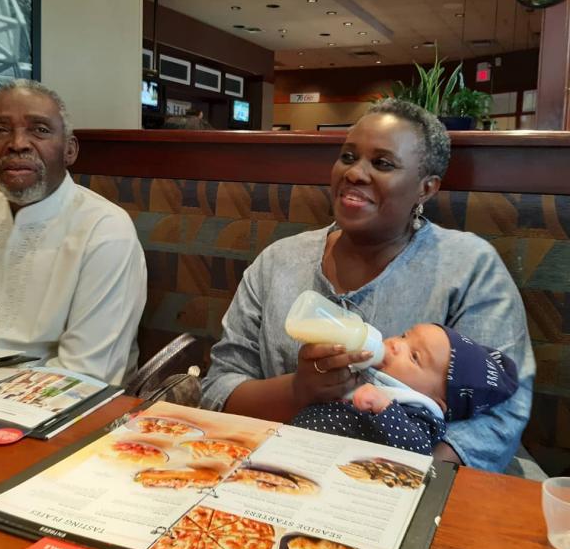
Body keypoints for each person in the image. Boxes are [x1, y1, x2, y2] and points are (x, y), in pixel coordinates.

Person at [201, 98, 535, 472]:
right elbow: (218, 390)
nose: (355, 174)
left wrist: (383, 480)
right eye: (347, 157)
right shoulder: (278, 262)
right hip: (276, 475)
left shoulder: (469, 268)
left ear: (426, 188)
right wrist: (299, 390)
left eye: (382, 163)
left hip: (419, 495)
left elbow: (499, 417)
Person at [0, 79, 147, 385]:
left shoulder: (105, 231)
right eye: (0, 130)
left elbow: (86, 376)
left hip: (61, 412)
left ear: (69, 150)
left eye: (40, 129)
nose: (17, 143)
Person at [291, 323, 519, 455]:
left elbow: (417, 450)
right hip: (293, 447)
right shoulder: (366, 373)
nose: (396, 344)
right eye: (404, 336)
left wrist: (384, 408)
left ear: (439, 400)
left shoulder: (419, 411)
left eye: (414, 356)